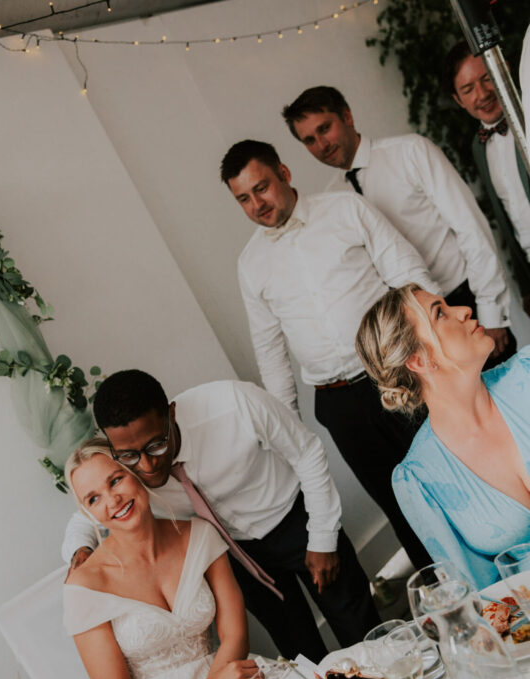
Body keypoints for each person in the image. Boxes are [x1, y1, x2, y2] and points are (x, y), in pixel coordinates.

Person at [220, 138, 438, 570]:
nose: (256, 205)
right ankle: (445, 595)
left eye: (261, 188)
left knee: (452, 474)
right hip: (340, 403)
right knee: (400, 504)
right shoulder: (251, 263)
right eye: (243, 199)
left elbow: (408, 274)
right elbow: (271, 351)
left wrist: (435, 348)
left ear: (284, 173)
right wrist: (288, 431)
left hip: (398, 371)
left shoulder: (345, 209)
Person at [63, 372, 379, 663]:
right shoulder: (123, 460)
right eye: (130, 455)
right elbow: (89, 512)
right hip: (237, 555)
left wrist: (322, 537)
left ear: (171, 414)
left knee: (361, 632)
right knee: (302, 654)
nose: (146, 466)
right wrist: (81, 549)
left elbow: (307, 451)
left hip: (297, 521)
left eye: (156, 445)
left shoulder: (234, 404)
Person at [63, 437, 259, 679]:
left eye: (116, 480)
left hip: (225, 675)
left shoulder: (199, 534)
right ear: (87, 513)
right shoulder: (85, 585)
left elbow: (235, 633)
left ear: (135, 472)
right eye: (94, 498)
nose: (113, 500)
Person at [281, 85, 515, 368]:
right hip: (418, 331)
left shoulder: (411, 151)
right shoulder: (334, 201)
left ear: (347, 116)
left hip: (466, 304)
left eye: (325, 128)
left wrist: (491, 314)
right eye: (309, 140)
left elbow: (470, 227)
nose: (321, 144)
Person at [355, 283, 530, 590]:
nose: (464, 310)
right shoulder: (418, 479)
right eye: (440, 314)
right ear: (419, 360)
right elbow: (475, 594)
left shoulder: (527, 373)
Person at [443, 42, 530, 315]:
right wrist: (526, 285)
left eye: (487, 78)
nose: (482, 94)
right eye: (468, 89)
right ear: (458, 100)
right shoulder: (478, 147)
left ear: (504, 69)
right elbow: (508, 220)